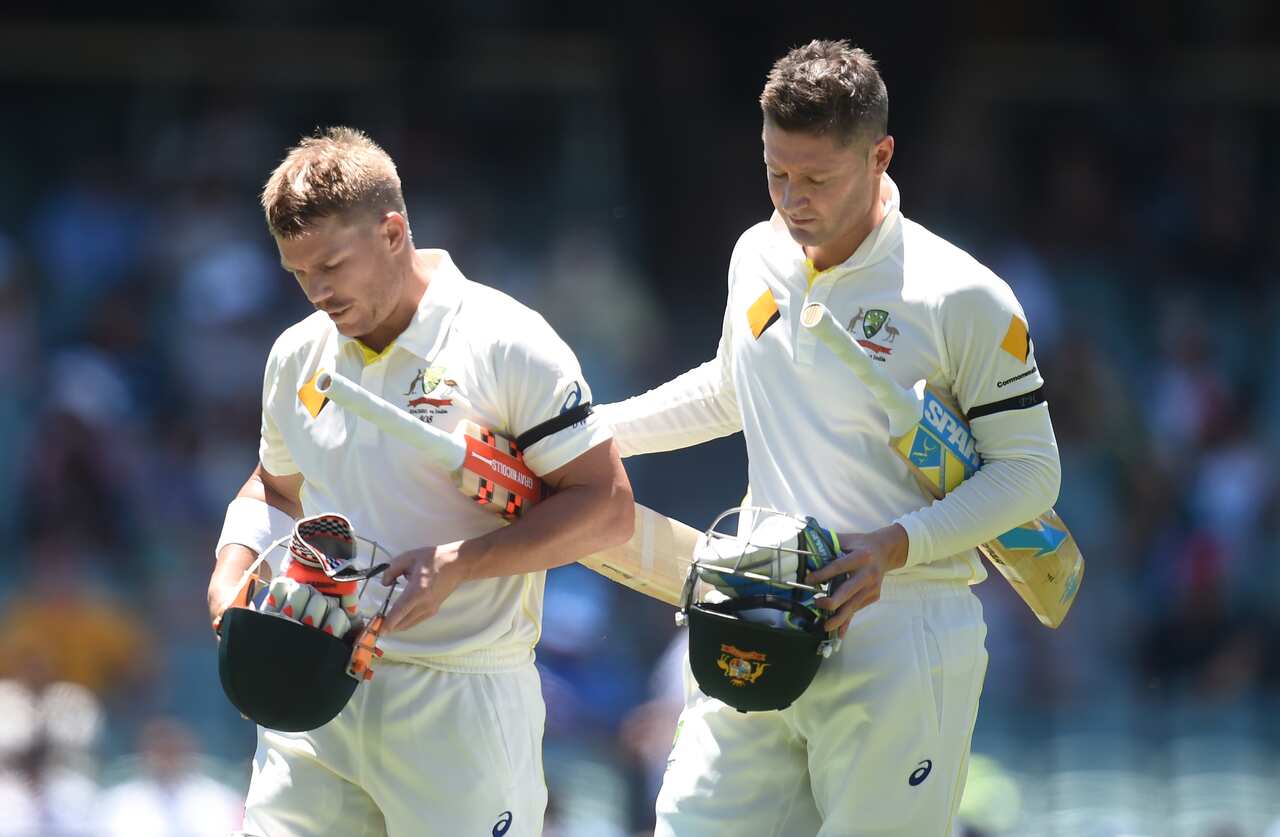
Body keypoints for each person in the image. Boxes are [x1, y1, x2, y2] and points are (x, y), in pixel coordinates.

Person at [596, 40, 1061, 836]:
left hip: (902, 631)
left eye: (817, 178)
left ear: (881, 155)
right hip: (759, 608)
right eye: (776, 172)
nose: (792, 199)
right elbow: (733, 386)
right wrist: (586, 434)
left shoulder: (962, 295)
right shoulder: (758, 251)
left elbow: (1031, 474)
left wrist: (895, 545)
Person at [205, 126, 634, 836]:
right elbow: (275, 488)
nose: (317, 292)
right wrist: (232, 570)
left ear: (394, 231)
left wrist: (461, 565)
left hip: (460, 696)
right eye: (297, 273)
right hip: (317, 682)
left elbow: (609, 508)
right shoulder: (295, 355)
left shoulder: (504, 340)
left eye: (332, 265)